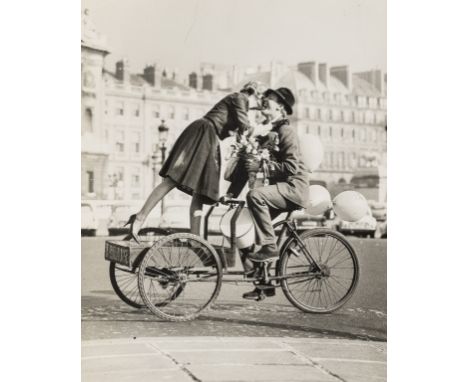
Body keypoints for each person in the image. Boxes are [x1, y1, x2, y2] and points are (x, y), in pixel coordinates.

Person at [125, 82, 264, 243]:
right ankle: (140, 217)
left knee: (201, 190)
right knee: (173, 179)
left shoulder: (240, 104)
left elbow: (241, 131)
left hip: (209, 137)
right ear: (253, 94)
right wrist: (262, 130)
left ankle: (195, 239)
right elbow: (246, 126)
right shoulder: (240, 97)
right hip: (204, 133)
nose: (257, 109)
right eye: (258, 104)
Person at [227, 87, 310, 300]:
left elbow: (291, 167)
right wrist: (230, 193)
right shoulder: (269, 132)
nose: (265, 106)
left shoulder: (286, 132)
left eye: (269, 103)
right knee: (244, 228)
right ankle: (264, 284)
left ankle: (270, 247)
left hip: (294, 188)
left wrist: (266, 165)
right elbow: (250, 164)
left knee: (255, 196)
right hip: (281, 190)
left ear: (280, 108)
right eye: (264, 102)